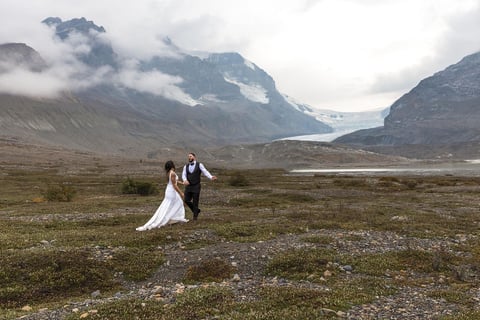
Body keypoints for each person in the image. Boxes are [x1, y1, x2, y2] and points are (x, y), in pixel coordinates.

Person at [136, 160, 188, 231]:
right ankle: (170, 218)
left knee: (171, 205)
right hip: (172, 191)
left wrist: (182, 183)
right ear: (172, 165)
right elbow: (174, 185)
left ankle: (173, 218)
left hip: (169, 190)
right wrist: (181, 193)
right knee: (176, 204)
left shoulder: (169, 173)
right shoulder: (172, 173)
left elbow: (174, 181)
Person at [182, 152, 217, 220]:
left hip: (196, 186)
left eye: (190, 156)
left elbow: (205, 171)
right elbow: (184, 174)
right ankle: (196, 210)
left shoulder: (199, 165)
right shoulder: (185, 166)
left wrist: (210, 177)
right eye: (188, 156)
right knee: (186, 200)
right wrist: (185, 180)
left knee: (195, 201)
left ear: (194, 157)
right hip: (188, 186)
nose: (189, 157)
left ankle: (195, 217)